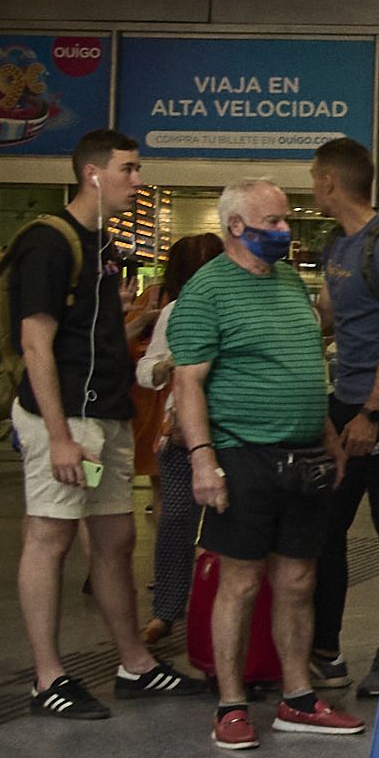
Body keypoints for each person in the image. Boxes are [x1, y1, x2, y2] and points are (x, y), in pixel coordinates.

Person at [168, 181, 365, 751]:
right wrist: (205, 461)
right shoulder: (206, 291)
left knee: (299, 579)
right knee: (241, 582)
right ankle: (230, 704)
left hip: (304, 455)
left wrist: (326, 435)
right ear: (236, 226)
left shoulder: (288, 284)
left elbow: (306, 366)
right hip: (241, 454)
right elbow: (188, 383)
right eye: (273, 222)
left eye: (285, 220)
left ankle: (298, 698)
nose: (284, 230)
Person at [8, 127, 196, 719]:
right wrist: (59, 435)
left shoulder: (101, 247)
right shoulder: (49, 243)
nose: (137, 181)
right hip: (67, 418)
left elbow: (94, 335)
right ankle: (47, 677)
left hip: (105, 417)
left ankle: (135, 663)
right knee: (50, 535)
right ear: (93, 173)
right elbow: (36, 345)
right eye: (128, 169)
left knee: (114, 540)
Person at [307, 138, 379, 698]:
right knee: (325, 528)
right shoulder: (335, 244)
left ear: (331, 181)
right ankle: (323, 649)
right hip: (345, 400)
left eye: (314, 176)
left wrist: (373, 411)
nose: (311, 186)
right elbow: (332, 321)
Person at [134, 231, 224, 650]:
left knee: (231, 529)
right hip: (180, 435)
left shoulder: (236, 307)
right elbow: (146, 369)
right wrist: (168, 365)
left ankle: (217, 610)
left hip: (231, 431)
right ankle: (167, 610)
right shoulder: (174, 313)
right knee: (175, 521)